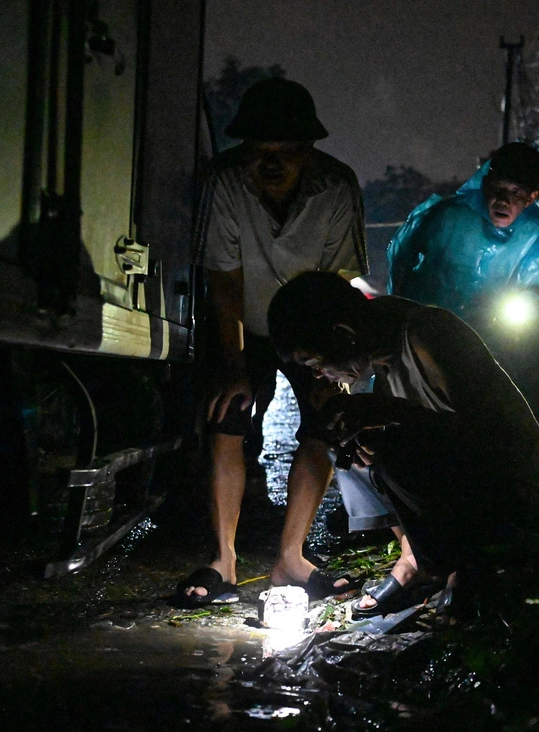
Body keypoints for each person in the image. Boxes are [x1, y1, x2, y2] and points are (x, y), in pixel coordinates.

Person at [174, 79, 368, 607]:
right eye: (261, 152)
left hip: (311, 327)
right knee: (228, 413)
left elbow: (343, 278)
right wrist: (235, 365)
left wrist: (335, 364)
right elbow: (224, 280)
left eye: (287, 152)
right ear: (245, 150)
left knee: (328, 419)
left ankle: (291, 557)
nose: (273, 163)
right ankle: (224, 560)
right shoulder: (225, 181)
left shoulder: (337, 187)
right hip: (244, 318)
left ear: (309, 151)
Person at [268, 271, 539, 617]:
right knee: (351, 441)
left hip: (518, 498)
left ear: (343, 335)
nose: (319, 376)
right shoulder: (381, 349)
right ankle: (417, 558)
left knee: (389, 448)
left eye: (317, 364)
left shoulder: (427, 334)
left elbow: (487, 438)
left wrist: (388, 413)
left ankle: (472, 564)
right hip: (473, 484)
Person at [387, 142, 539, 434]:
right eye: (498, 190)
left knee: (522, 377)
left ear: (532, 198)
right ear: (486, 185)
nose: (503, 201)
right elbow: (403, 256)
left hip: (491, 334)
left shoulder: (534, 237)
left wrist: (522, 304)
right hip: (427, 328)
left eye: (515, 193)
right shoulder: (449, 216)